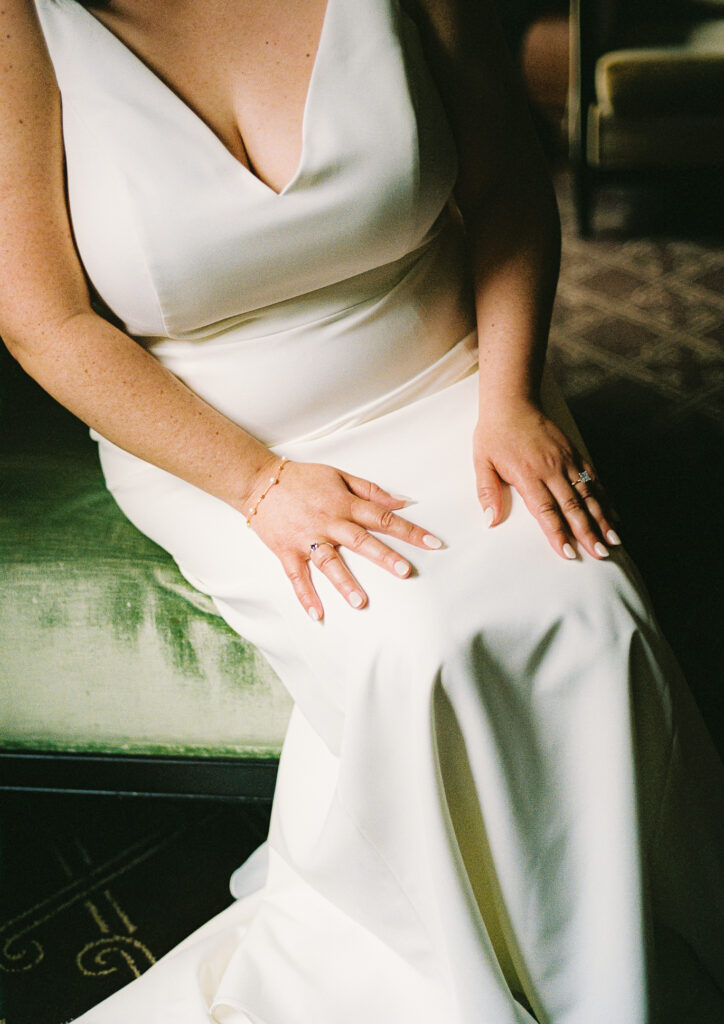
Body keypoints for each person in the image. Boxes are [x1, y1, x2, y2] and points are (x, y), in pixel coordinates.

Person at [1, 0, 722, 1021]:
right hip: (212, 438)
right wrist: (257, 483)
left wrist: (509, 395)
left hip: (450, 380)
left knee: (587, 606)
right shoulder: (20, 25)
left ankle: (620, 968)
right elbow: (45, 321)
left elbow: (509, 187)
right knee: (416, 641)